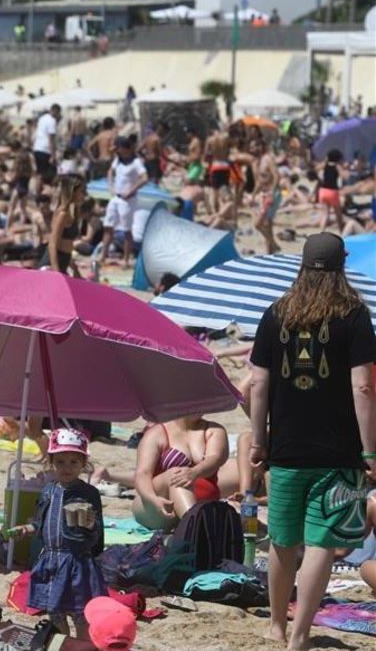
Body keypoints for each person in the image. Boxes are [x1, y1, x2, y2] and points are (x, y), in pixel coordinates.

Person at [249, 233, 375, 651]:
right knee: (322, 539)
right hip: (338, 451)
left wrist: (257, 441)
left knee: (282, 541)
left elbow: (259, 384)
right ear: (342, 265)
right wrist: (370, 449)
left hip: (285, 448)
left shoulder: (276, 313)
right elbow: (362, 389)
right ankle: (300, 634)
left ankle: (276, 627)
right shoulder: (355, 315)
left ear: (302, 266)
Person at [10, 428, 106, 640]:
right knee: (56, 612)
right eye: (61, 461)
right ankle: (62, 644)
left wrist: (90, 524)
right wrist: (27, 529)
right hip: (51, 559)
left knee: (80, 612)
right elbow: (40, 522)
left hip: (76, 561)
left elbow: (97, 533)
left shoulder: (89, 493)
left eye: (74, 462)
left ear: (83, 464)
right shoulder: (48, 490)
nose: (67, 467)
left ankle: (81, 645)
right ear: (51, 462)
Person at [130, 416, 229, 530]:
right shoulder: (157, 433)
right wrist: (153, 499)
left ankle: (193, 525)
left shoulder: (213, 430)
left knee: (179, 476)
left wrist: (194, 472)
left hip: (203, 504)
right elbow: (143, 474)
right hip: (158, 504)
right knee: (176, 475)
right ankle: (195, 527)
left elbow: (216, 458)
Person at [100, 137, 147, 267]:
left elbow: (144, 178)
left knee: (127, 230)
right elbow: (110, 170)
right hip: (116, 197)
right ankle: (103, 256)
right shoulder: (118, 160)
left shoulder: (136, 162)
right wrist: (110, 185)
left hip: (128, 200)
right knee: (108, 227)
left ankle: (126, 259)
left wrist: (132, 190)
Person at [316, 149, 346, 232]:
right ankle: (342, 231)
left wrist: (325, 161)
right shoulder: (337, 166)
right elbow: (343, 176)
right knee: (338, 213)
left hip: (323, 191)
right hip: (333, 191)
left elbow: (316, 168)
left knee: (325, 214)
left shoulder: (325, 165)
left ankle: (321, 232)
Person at [33, 104, 61, 184]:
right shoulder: (52, 121)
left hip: (37, 148)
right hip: (46, 150)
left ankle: (37, 193)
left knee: (39, 173)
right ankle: (46, 191)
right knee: (48, 175)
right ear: (56, 111)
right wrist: (53, 155)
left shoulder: (42, 118)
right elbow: (51, 139)